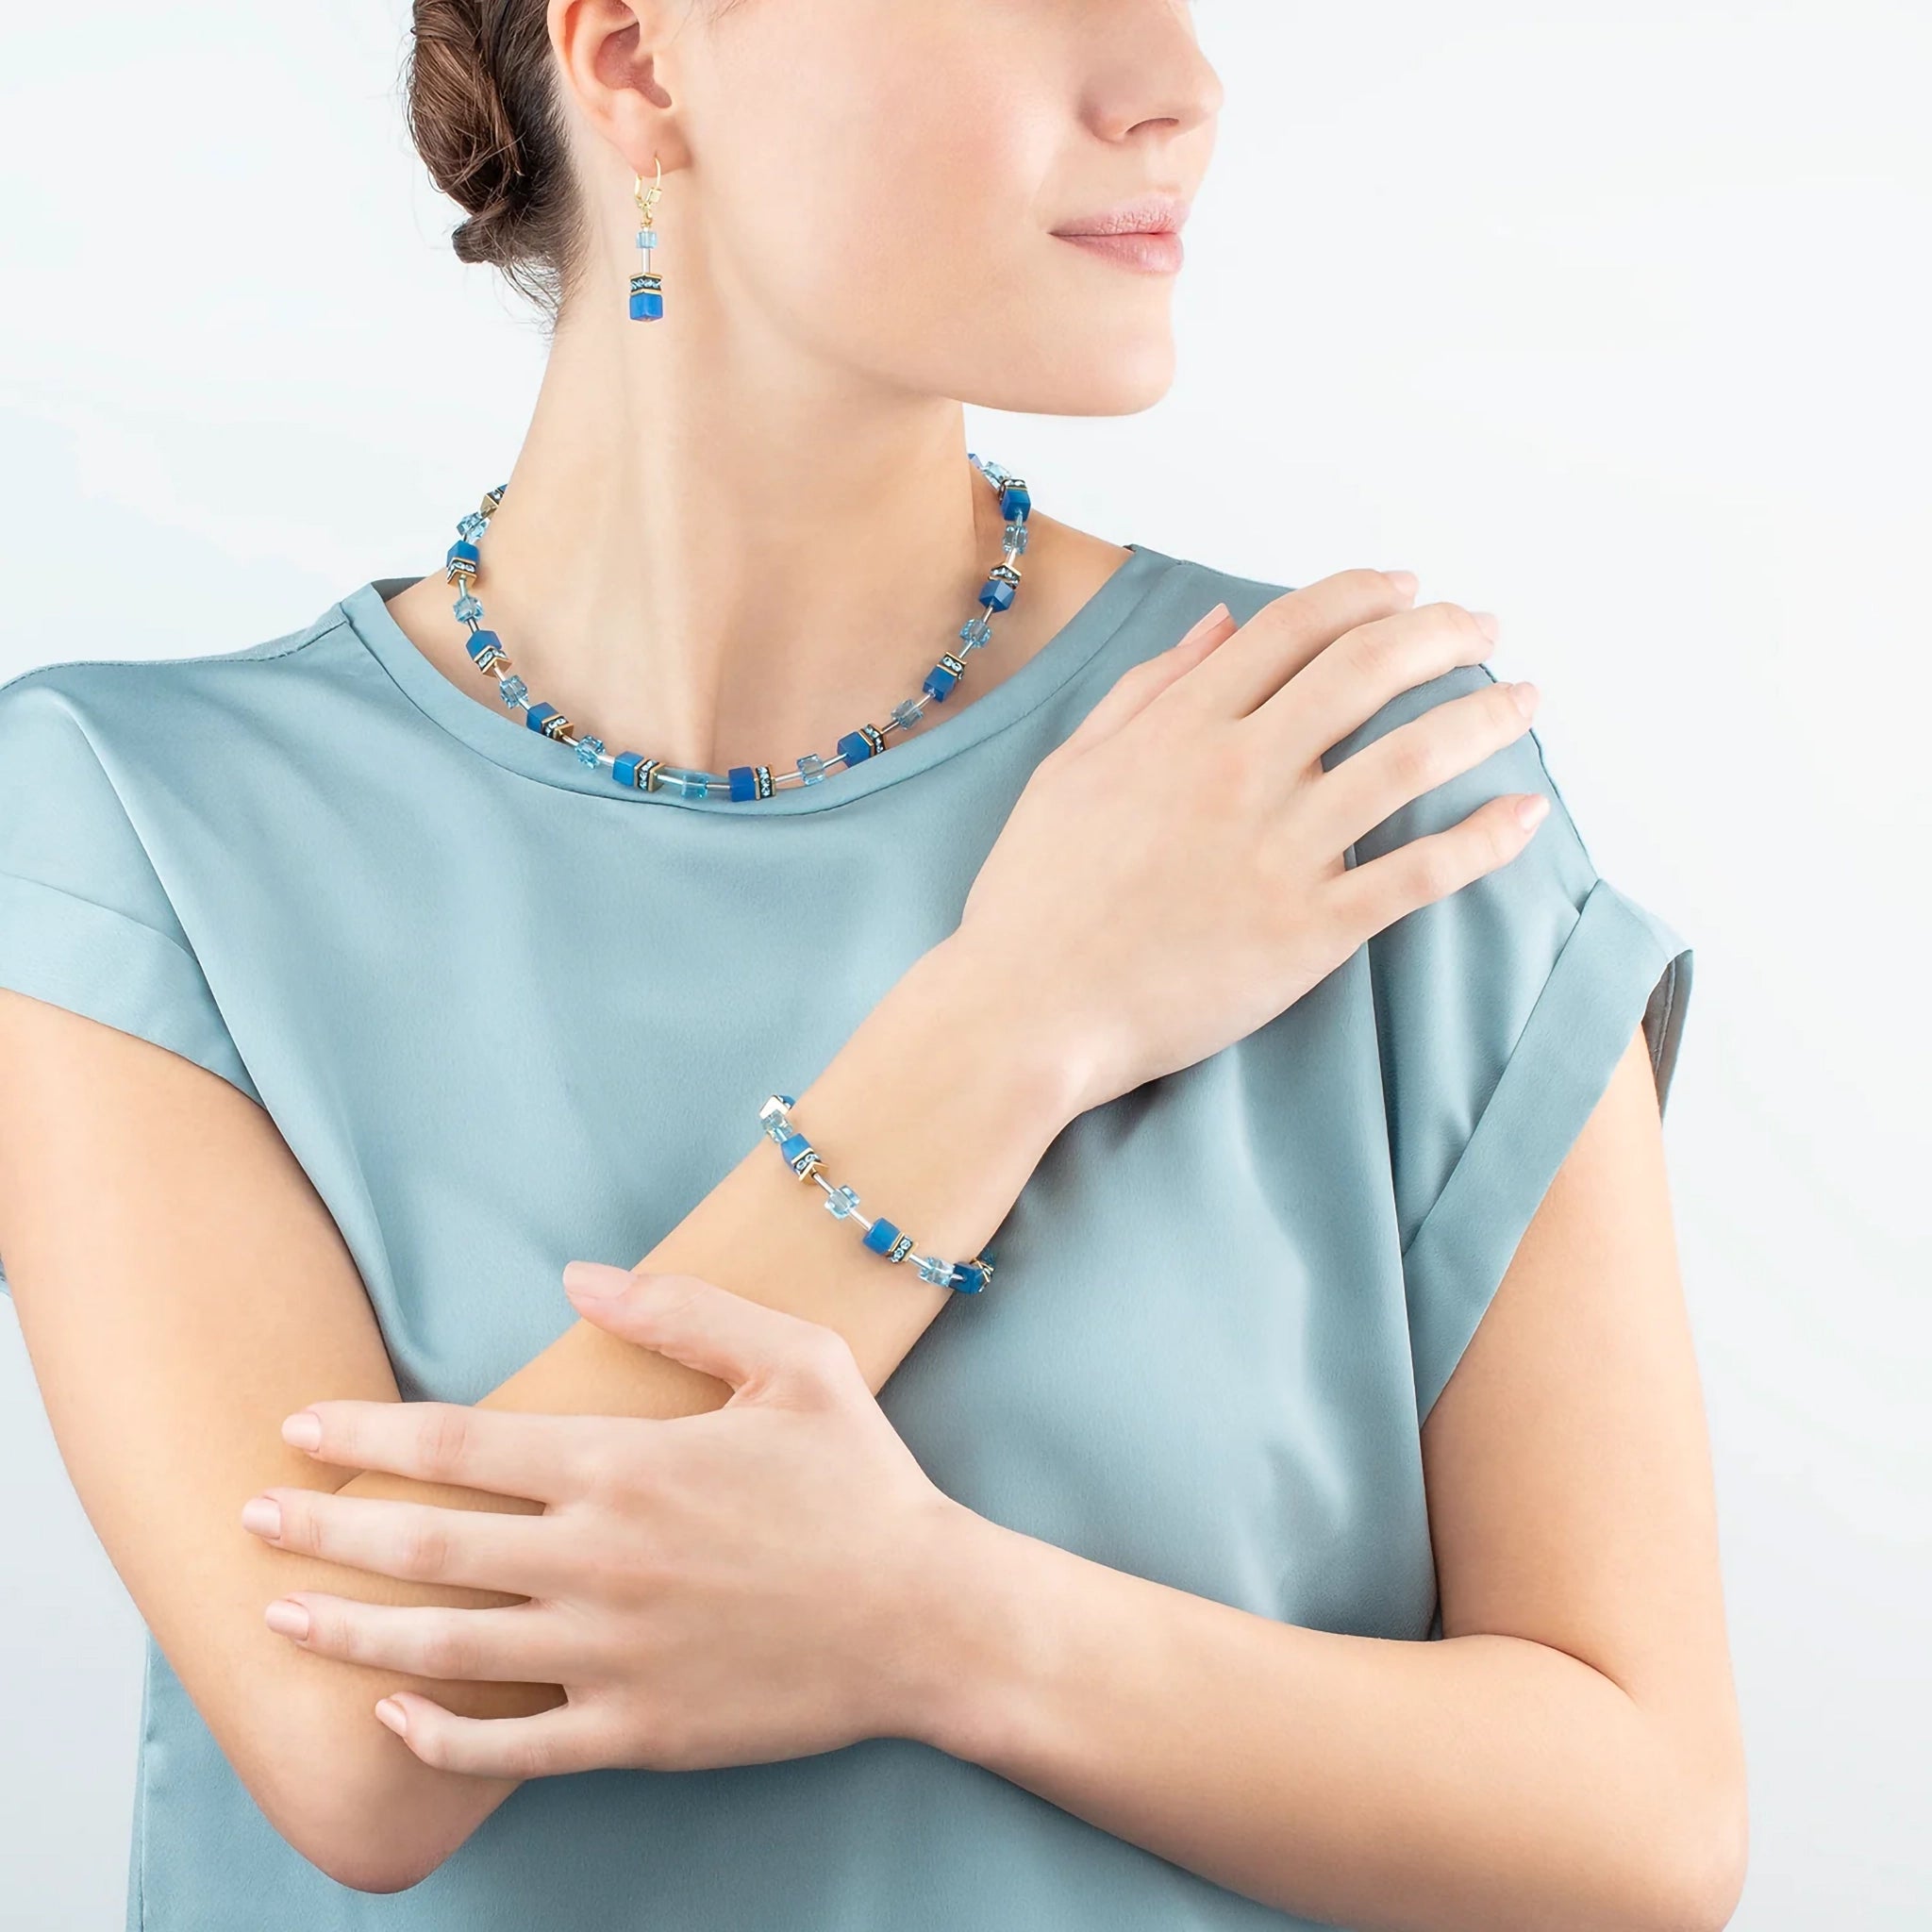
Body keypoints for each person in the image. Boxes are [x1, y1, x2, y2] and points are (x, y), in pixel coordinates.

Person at [0, 3, 1746, 1929]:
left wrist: (940, 1627)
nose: (1175, 84)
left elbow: (1643, 1826)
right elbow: (363, 1732)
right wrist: (1022, 1012)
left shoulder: (1336, 771)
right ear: (640, 59)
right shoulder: (129, 824)